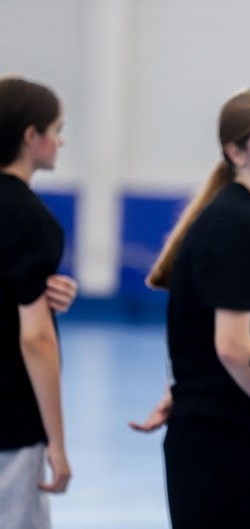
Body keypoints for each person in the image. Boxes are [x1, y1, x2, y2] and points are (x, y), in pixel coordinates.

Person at [128, 88, 250, 528]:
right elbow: (231, 347)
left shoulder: (244, 214)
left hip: (218, 432)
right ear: (236, 152)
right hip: (221, 444)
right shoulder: (239, 223)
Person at [0, 76, 79, 529]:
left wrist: (44, 295)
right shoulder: (31, 220)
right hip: (9, 422)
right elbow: (36, 339)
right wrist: (57, 443)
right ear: (32, 136)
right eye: (57, 129)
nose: (61, 141)